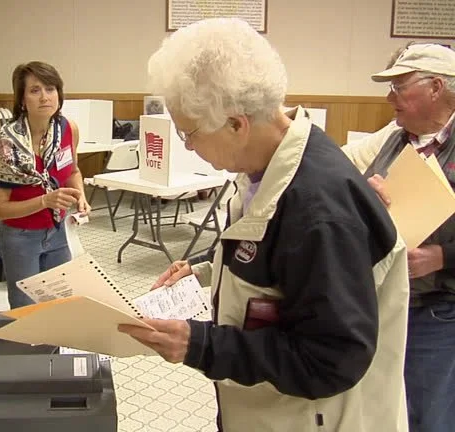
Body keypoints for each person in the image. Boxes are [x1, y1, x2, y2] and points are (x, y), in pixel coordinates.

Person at [118, 18, 410, 432]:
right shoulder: (266, 166)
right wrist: (203, 266)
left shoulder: (318, 211)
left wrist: (198, 345)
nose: (189, 147)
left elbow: (332, 360)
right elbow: (273, 254)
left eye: (189, 134)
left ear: (237, 124)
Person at [340, 42, 455, 432]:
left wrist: (441, 256)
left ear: (436, 87)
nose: (389, 98)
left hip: (437, 310)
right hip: (388, 302)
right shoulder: (398, 138)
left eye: (399, 86)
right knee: (387, 408)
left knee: (429, 414)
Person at [0, 61, 90, 309]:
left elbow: (72, 171)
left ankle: (56, 348)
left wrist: (81, 196)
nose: (45, 97)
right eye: (35, 90)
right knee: (27, 309)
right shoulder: (7, 144)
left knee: (61, 303)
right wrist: (45, 201)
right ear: (22, 100)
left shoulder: (67, 129)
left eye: (50, 88)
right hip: (20, 237)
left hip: (57, 230)